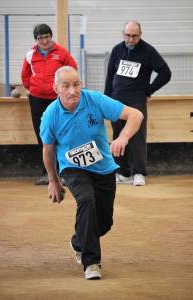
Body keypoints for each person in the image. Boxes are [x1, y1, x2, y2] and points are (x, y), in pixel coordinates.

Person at [40, 66, 143, 280]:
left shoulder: (95, 100)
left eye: (76, 84)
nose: (72, 91)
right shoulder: (50, 115)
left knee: (104, 223)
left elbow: (135, 114)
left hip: (103, 167)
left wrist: (123, 137)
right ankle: (91, 263)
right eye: (66, 86)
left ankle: (78, 242)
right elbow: (48, 150)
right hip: (72, 167)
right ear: (56, 88)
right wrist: (53, 180)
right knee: (86, 200)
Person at [104, 20, 171, 186]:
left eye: (134, 36)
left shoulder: (148, 51)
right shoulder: (117, 50)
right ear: (123, 34)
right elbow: (110, 75)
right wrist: (106, 99)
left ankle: (139, 172)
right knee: (118, 135)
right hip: (116, 99)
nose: (131, 39)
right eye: (128, 35)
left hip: (136, 99)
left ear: (140, 35)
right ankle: (123, 172)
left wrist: (149, 90)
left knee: (137, 136)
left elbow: (165, 73)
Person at [21, 23, 77, 185]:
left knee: (62, 133)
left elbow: (72, 70)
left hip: (57, 99)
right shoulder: (30, 54)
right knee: (43, 135)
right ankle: (48, 173)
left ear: (50, 36)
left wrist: (65, 90)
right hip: (37, 99)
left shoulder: (61, 53)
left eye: (46, 37)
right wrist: (32, 88)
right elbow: (25, 75)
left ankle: (65, 172)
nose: (44, 41)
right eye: (40, 38)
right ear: (36, 40)